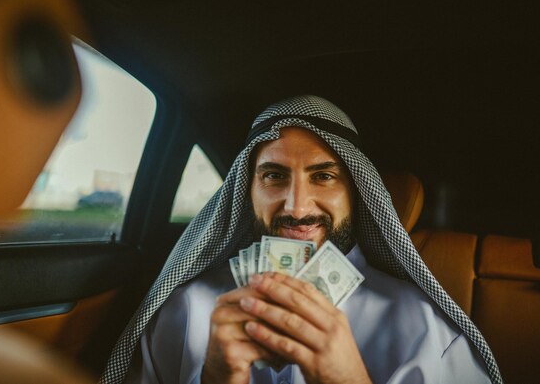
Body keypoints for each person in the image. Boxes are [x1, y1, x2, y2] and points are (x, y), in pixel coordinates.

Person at [101, 95, 502, 384]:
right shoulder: (185, 310)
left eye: (323, 176)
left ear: (356, 192)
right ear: (247, 190)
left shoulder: (426, 329)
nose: (296, 207)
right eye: (274, 176)